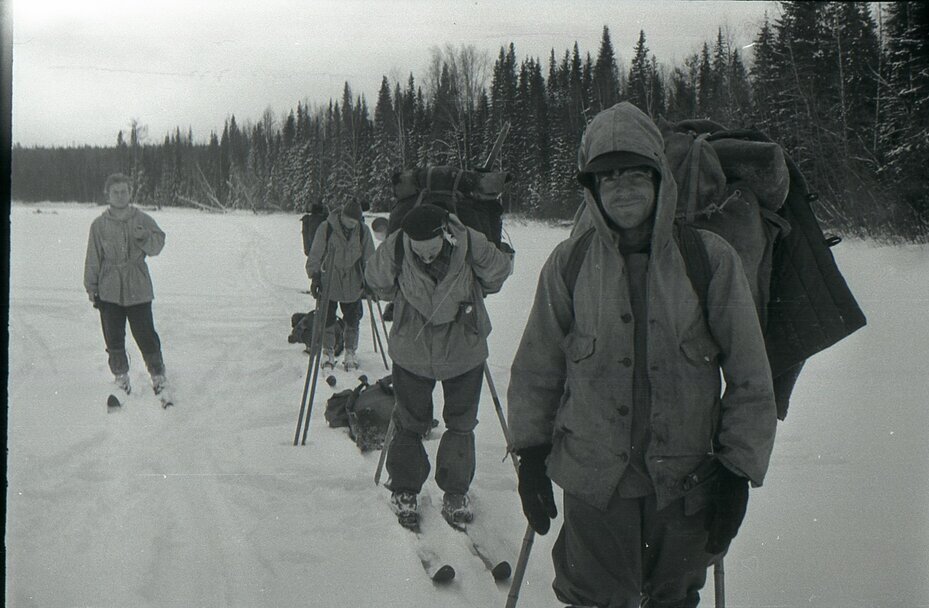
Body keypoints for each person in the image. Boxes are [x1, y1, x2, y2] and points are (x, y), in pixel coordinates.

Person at [507, 102, 777, 608]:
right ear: (593, 190)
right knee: (593, 598)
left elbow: (750, 377)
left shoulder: (710, 259)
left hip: (685, 484)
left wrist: (739, 472)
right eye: (609, 178)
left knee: (674, 599)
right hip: (594, 484)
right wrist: (531, 454)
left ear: (659, 179)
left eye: (637, 173)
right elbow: (537, 369)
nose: (624, 188)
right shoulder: (570, 264)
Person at [365, 204, 513, 530]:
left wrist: (492, 260)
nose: (427, 257)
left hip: (463, 348)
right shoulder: (399, 246)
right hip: (412, 351)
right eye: (420, 251)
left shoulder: (469, 242)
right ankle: (405, 488)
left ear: (445, 233)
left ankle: (456, 492)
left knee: (461, 423)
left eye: (432, 250)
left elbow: (498, 273)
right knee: (409, 421)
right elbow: (377, 280)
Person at [84, 172, 169, 397]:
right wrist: (92, 287)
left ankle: (158, 376)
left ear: (130, 193)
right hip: (109, 288)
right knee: (113, 336)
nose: (120, 196)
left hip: (138, 286)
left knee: (145, 334)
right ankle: (121, 378)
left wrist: (144, 238)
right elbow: (93, 258)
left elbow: (158, 245)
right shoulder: (99, 225)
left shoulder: (141, 219)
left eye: (124, 191)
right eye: (116, 192)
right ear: (108, 194)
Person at [306, 200, 375, 371]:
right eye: (349, 220)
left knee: (353, 318)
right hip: (330, 278)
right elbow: (316, 253)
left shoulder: (363, 231)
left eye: (355, 222)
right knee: (327, 318)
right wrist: (314, 277)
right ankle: (328, 351)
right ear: (342, 216)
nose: (351, 224)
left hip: (353, 280)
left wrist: (371, 280)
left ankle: (350, 352)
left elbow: (369, 257)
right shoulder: (326, 227)